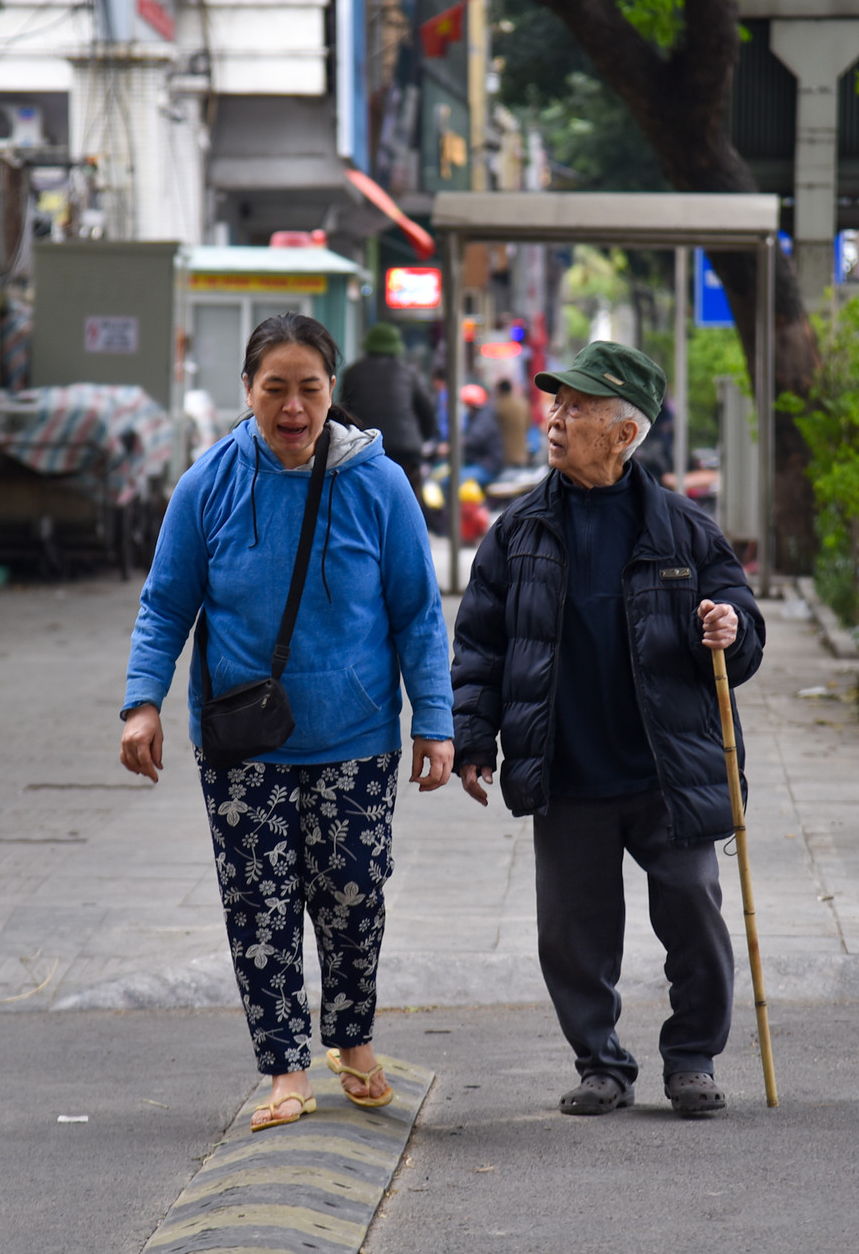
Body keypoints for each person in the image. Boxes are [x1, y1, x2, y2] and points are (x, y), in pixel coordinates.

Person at [120, 313, 455, 1131]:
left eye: (310, 388)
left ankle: (353, 1040)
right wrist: (140, 702)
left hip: (356, 736)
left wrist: (435, 722)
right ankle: (284, 1068)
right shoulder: (210, 482)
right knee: (258, 905)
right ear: (248, 392)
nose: (294, 407)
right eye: (276, 389)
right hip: (244, 743)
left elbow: (418, 613)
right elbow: (166, 603)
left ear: (332, 392)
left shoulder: (380, 486)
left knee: (353, 896)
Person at [450, 340, 765, 1119]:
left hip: (668, 770)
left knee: (693, 907)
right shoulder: (518, 531)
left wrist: (730, 626)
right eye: (557, 404)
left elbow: (742, 621)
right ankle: (601, 1062)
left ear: (625, 434)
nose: (556, 419)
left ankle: (692, 1056)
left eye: (578, 407)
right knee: (570, 932)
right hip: (569, 768)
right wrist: (471, 740)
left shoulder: (684, 531)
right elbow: (480, 641)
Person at [337, 321, 436, 498]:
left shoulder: (352, 373)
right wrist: (424, 438)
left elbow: (344, 415)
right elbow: (427, 413)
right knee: (407, 502)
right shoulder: (409, 373)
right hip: (406, 455)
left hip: (366, 452)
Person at [460, 383, 505, 487]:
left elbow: (474, 439)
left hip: (487, 466)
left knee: (453, 480)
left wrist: (456, 445)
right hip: (479, 463)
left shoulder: (485, 419)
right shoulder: (478, 417)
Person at [492, 377, 531, 468]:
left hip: (506, 456)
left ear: (500, 391)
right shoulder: (523, 403)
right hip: (522, 454)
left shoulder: (499, 406)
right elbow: (528, 425)